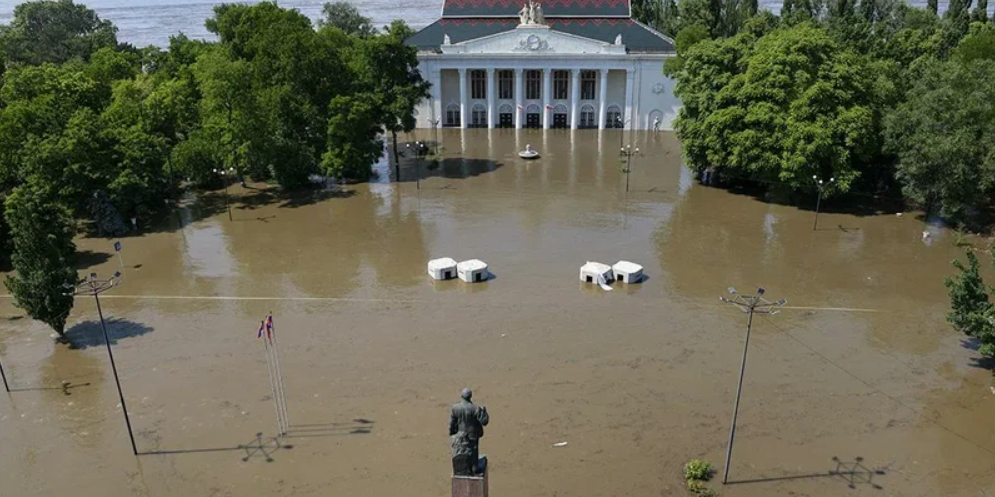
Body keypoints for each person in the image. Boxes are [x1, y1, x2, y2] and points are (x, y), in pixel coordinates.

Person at [449, 388, 489, 476]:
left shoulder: (455, 408)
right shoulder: (475, 408)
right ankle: (473, 468)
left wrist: (452, 432)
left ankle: (463, 468)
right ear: (470, 396)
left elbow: (452, 422)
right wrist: (485, 412)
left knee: (461, 450)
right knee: (473, 451)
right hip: (472, 434)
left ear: (461, 396)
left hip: (460, 434)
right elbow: (484, 421)